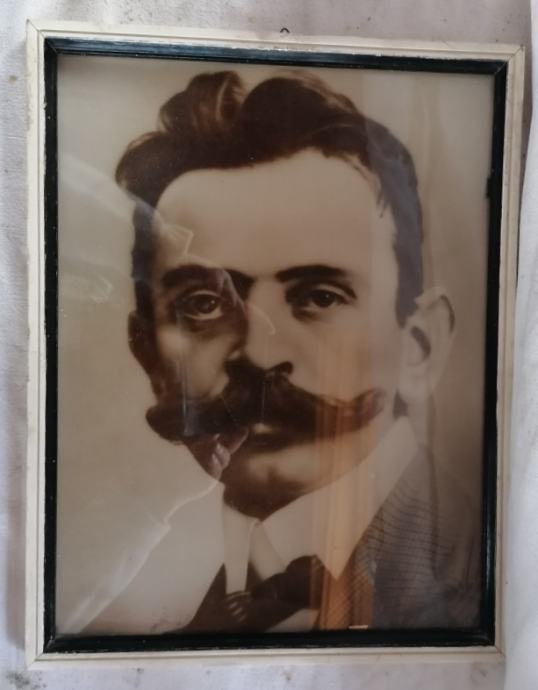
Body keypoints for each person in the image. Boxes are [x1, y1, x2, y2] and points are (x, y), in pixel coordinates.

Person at [79, 69, 479, 635]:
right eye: (203, 305)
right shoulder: (117, 592)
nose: (261, 359)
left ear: (420, 347)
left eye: (319, 296)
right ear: (148, 353)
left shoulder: (475, 593)